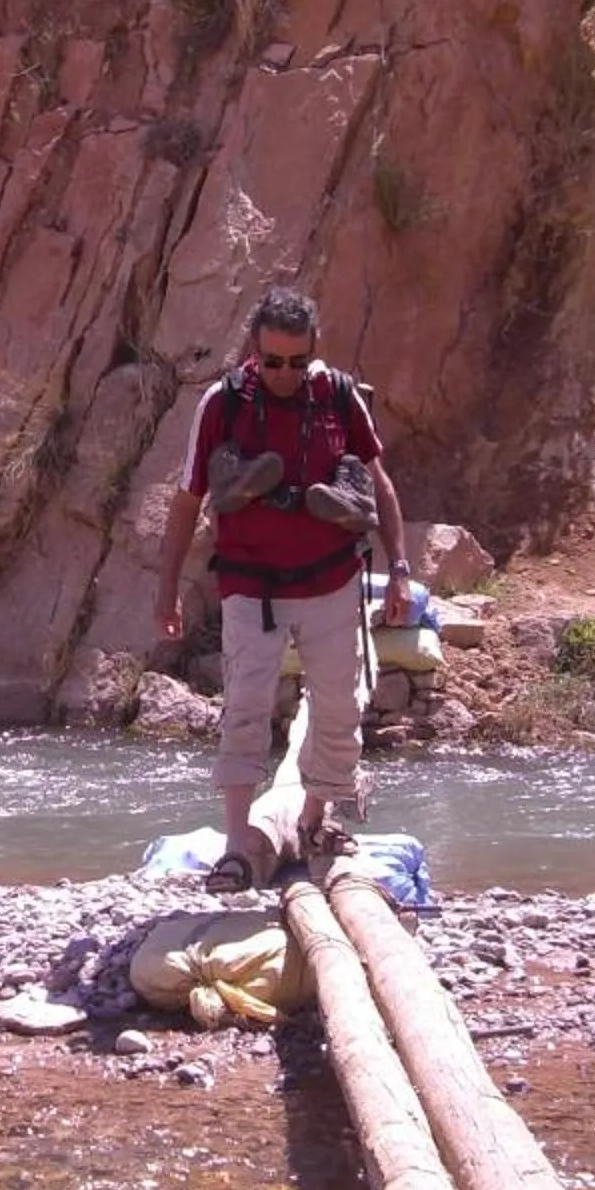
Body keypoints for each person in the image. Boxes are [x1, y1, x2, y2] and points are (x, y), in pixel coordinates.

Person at [156, 287, 413, 883]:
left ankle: (315, 819)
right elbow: (186, 500)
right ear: (254, 351)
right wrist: (165, 589)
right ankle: (241, 838)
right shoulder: (222, 403)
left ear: (313, 353)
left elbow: (383, 485)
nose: (285, 374)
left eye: (297, 363)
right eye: (273, 362)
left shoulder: (340, 397)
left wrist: (399, 568)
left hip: (331, 579)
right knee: (245, 705)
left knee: (338, 708)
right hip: (252, 583)